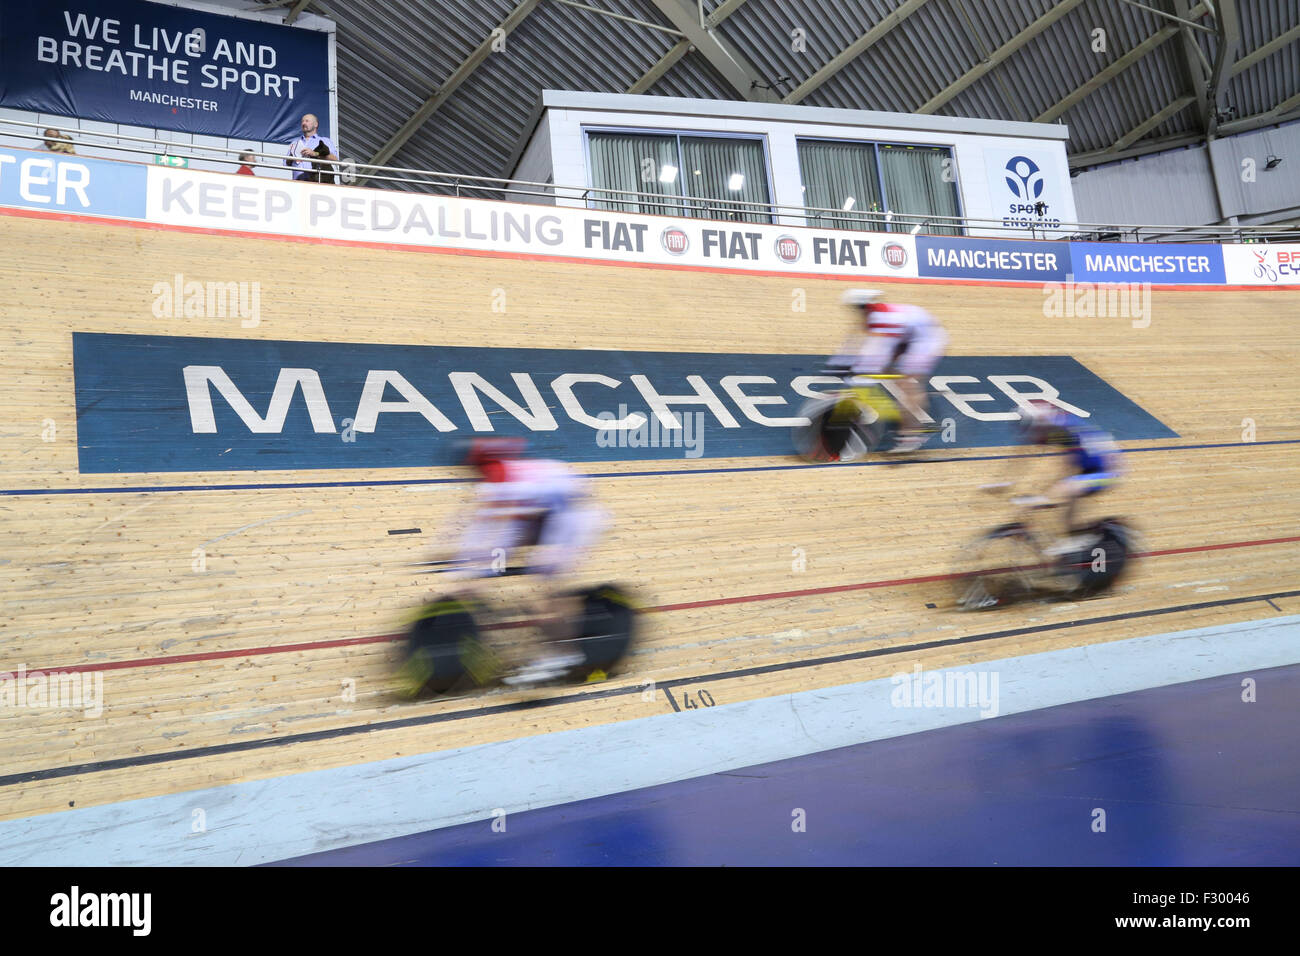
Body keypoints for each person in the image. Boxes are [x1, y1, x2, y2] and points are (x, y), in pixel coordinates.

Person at [452, 438, 606, 685]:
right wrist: (469, 567)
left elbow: (494, 530)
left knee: (548, 585)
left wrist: (472, 571)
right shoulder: (501, 474)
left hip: (574, 520)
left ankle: (561, 655)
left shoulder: (501, 481)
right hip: (546, 515)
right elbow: (480, 526)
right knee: (497, 564)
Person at [832, 289, 948, 452]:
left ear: (863, 306)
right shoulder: (871, 315)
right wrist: (838, 362)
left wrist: (860, 370)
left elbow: (880, 350)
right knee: (887, 371)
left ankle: (911, 436)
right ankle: (903, 410)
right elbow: (854, 339)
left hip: (927, 340)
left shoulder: (885, 319)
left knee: (908, 383)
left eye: (857, 308)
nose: (856, 312)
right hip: (907, 337)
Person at [1016, 400, 1122, 554]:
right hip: (1091, 468)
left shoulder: (1065, 429)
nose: (1031, 432)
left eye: (1031, 426)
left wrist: (1046, 497)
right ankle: (1079, 534)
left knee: (1068, 488)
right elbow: (1066, 465)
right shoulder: (1055, 427)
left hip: (1109, 471)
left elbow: (1068, 466)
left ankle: (1075, 540)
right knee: (1065, 494)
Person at [285, 113, 338, 182]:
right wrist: (292, 157)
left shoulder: (325, 141)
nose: (303, 123)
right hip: (298, 183)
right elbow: (286, 164)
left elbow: (335, 159)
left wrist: (315, 154)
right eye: (302, 121)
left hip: (317, 182)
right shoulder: (295, 143)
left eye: (307, 121)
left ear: (315, 124)